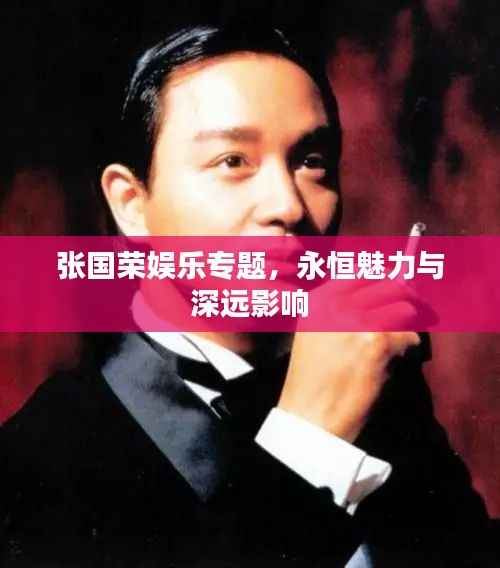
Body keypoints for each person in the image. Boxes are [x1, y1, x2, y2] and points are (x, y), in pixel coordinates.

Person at [0, 25, 495, 567]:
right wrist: (308, 444)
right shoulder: (38, 460)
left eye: (311, 161)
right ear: (131, 204)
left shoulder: (384, 392)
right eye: (233, 161)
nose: (288, 205)